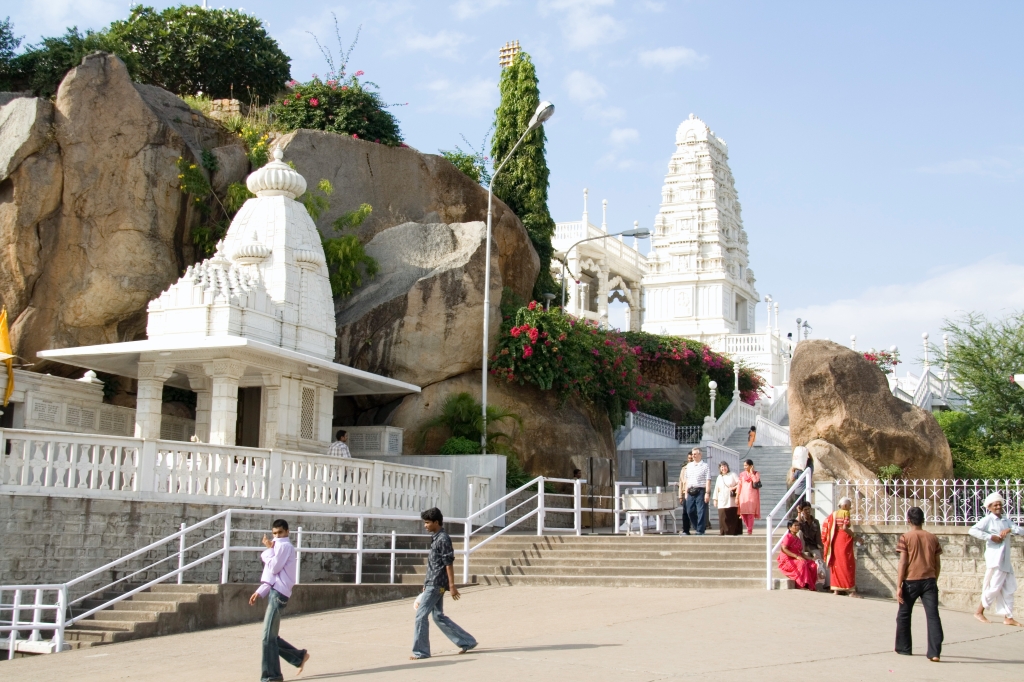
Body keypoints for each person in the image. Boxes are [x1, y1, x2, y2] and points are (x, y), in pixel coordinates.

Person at [412, 507, 477, 660]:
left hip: (436, 584)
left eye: (427, 523)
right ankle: (467, 641)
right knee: (438, 616)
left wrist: (452, 586)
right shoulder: (436, 538)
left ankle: (421, 651)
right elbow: (434, 564)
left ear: (436, 522)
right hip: (432, 583)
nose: (425, 525)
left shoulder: (443, 539)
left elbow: (448, 563)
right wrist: (425, 583)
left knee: (420, 617)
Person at [249, 519, 310, 682]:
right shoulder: (277, 547)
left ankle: (272, 676)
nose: (277, 536)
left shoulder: (284, 546)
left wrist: (269, 550)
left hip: (279, 594)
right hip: (275, 592)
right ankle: (297, 657)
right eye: (274, 533)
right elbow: (271, 574)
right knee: (271, 636)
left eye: (280, 533)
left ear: (287, 532)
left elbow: (274, 567)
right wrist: (260, 591)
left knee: (267, 637)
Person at [895, 506, 944, 662]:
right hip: (929, 580)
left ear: (908, 520)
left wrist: (898, 585)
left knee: (904, 615)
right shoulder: (932, 538)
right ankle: (934, 652)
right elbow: (937, 563)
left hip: (911, 581)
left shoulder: (906, 537)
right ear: (923, 520)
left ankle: (904, 648)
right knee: (933, 616)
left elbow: (903, 562)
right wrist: (934, 579)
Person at [969, 492, 1024, 627]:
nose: (998, 507)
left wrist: (1009, 529)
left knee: (1009, 588)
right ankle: (979, 611)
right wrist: (990, 537)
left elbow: (1021, 530)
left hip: (1005, 560)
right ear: (989, 507)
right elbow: (973, 530)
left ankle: (1008, 617)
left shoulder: (1005, 520)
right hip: (996, 559)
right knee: (994, 587)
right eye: (995, 505)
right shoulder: (988, 520)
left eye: (1000, 504)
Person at [823, 497, 860, 597]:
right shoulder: (845, 513)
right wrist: (855, 536)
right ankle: (851, 590)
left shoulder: (834, 514)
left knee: (836, 563)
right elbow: (845, 527)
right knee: (847, 563)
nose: (850, 508)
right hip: (844, 539)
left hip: (836, 539)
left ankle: (836, 589)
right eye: (849, 506)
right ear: (844, 506)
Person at [777, 519, 818, 590]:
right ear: (789, 527)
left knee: (813, 564)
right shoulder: (788, 537)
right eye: (795, 525)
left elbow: (801, 553)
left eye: (798, 525)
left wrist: (811, 558)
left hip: (797, 558)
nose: (797, 527)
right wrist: (796, 556)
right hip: (787, 560)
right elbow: (784, 549)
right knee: (802, 563)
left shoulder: (798, 539)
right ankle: (801, 585)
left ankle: (809, 585)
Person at [682, 448, 711, 535]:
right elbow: (686, 480)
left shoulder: (705, 466)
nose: (693, 456)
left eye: (695, 454)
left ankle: (700, 530)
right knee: (689, 511)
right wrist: (686, 492)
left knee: (701, 511)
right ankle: (697, 526)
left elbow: (708, 480)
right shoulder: (689, 466)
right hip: (690, 490)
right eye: (693, 454)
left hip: (701, 490)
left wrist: (707, 493)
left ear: (700, 455)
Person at [713, 461, 742, 535]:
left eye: (725, 466)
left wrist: (733, 487)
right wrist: (715, 499)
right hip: (722, 499)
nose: (723, 468)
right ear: (720, 468)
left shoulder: (733, 474)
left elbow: (740, 483)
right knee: (722, 515)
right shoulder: (719, 477)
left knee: (732, 516)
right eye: (722, 467)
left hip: (731, 499)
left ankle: (732, 531)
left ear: (727, 467)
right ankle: (723, 531)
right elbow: (716, 488)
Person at [737, 459, 761, 535]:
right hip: (743, 496)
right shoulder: (742, 474)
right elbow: (739, 485)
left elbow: (756, 481)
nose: (744, 467)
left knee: (750, 514)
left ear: (751, 466)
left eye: (746, 465)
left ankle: (749, 530)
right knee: (743, 514)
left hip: (752, 496)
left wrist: (751, 473)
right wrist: (737, 496)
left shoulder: (756, 473)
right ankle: (748, 527)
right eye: (744, 465)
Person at [677, 452, 694, 535]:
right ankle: (685, 530)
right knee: (685, 512)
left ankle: (698, 528)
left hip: (695, 492)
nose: (690, 460)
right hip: (685, 492)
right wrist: (680, 496)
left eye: (691, 458)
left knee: (694, 511)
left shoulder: (697, 468)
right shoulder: (684, 469)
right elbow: (680, 482)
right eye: (689, 458)